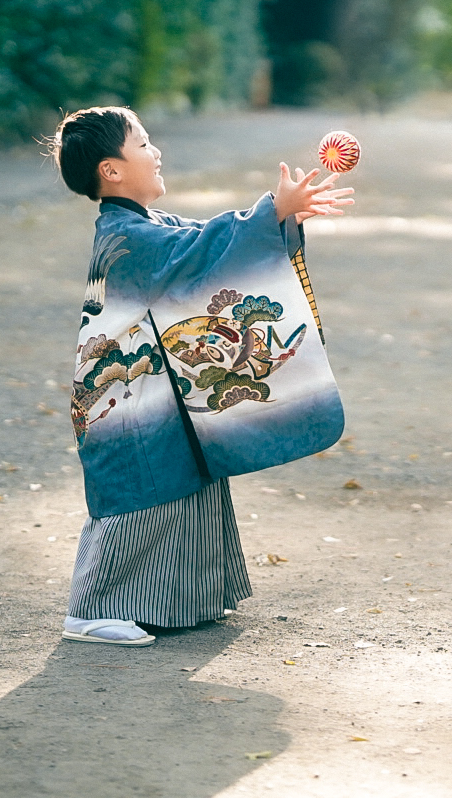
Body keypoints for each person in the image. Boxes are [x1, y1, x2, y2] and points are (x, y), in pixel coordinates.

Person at [49, 106, 353, 645]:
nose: (156, 152)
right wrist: (269, 212)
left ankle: (184, 599)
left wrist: (278, 219)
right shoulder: (128, 239)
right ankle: (91, 609)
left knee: (188, 476)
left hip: (155, 390)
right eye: (143, 144)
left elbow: (199, 239)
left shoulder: (145, 227)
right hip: (126, 400)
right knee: (140, 489)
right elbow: (199, 250)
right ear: (111, 170)